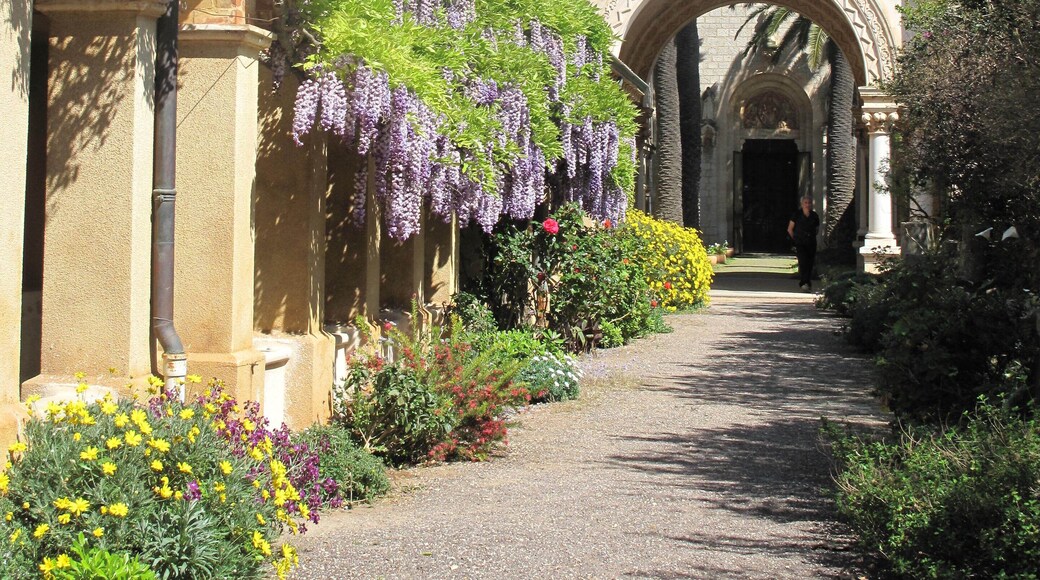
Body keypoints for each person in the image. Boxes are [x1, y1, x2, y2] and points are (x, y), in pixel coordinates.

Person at [787, 196, 820, 291]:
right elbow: (790, 229)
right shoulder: (796, 215)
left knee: (810, 263)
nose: (807, 204)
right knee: (803, 262)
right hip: (800, 243)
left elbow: (816, 229)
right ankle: (804, 282)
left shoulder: (814, 216)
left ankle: (807, 282)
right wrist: (796, 239)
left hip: (811, 242)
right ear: (802, 204)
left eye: (809, 202)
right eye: (805, 202)